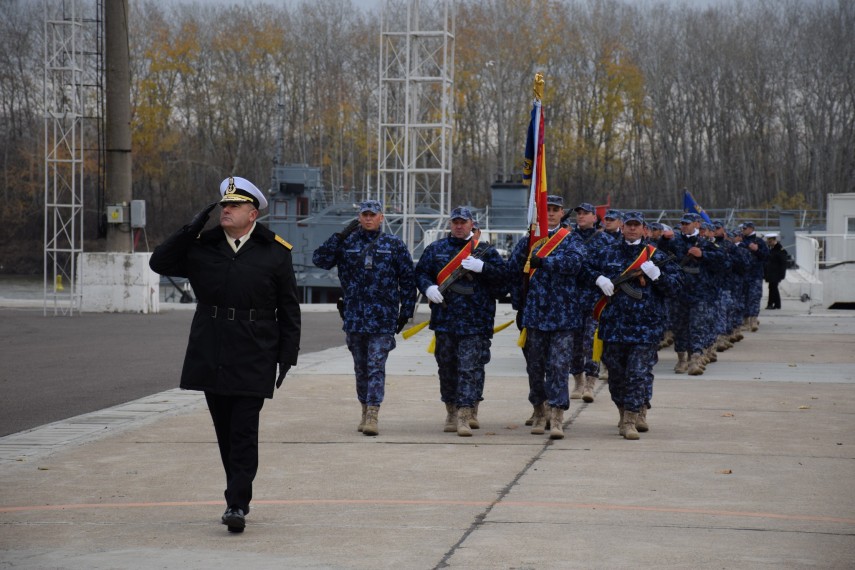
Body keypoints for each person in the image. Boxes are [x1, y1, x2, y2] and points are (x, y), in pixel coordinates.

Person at [149, 176, 301, 534]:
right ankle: (236, 494)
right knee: (225, 430)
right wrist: (193, 226)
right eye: (222, 205)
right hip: (212, 347)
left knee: (244, 430)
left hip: (255, 349)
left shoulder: (274, 251)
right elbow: (160, 262)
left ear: (252, 213)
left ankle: (237, 502)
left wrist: (287, 356)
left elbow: (289, 309)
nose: (226, 210)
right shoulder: (203, 247)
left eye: (234, 206)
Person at [312, 200, 416, 436]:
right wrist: (338, 237)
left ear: (381, 217)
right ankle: (363, 407)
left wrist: (406, 311)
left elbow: (408, 280)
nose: (368, 218)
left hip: (383, 317)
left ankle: (373, 412)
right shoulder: (346, 242)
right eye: (364, 215)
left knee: (376, 365)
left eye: (373, 215)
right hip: (355, 317)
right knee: (361, 368)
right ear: (359, 217)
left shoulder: (393, 245)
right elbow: (320, 260)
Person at [585, 212, 682, 439]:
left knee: (638, 373)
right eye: (628, 225)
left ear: (644, 229)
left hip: (646, 327)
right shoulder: (606, 252)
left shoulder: (657, 256)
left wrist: (658, 276)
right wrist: (599, 279)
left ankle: (632, 418)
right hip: (614, 326)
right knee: (617, 376)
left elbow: (676, 287)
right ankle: (623, 410)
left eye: (636, 225)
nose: (631, 229)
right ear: (622, 227)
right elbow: (584, 271)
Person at [415, 206, 508, 437]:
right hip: (445, 320)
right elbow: (420, 273)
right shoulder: (436, 249)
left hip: (476, 321)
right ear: (450, 224)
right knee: (447, 368)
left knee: (469, 368)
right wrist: (428, 287)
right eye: (455, 222)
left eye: (463, 222)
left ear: (471, 224)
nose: (458, 226)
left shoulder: (485, 252)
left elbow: (504, 281)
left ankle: (465, 415)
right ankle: (451, 410)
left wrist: (483, 268)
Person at [509, 195, 586, 440]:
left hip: (563, 316)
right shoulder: (529, 240)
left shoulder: (571, 239)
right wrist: (518, 304)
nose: (551, 213)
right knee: (535, 367)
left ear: (562, 212)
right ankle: (539, 410)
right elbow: (513, 270)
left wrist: (546, 262)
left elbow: (575, 263)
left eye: (555, 210)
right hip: (534, 315)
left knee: (558, 367)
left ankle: (557, 414)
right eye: (546, 209)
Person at [569, 202, 614, 402]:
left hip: (595, 300)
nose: (581, 216)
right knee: (574, 344)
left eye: (586, 213)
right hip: (571, 300)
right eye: (579, 213)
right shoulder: (568, 238)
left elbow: (611, 266)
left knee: (592, 342)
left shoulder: (605, 240)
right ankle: (577, 380)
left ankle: (590, 382)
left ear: (595, 217)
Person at [738, 221, 769, 331]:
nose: (743, 230)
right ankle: (745, 320)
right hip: (743, 274)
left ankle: (753, 320)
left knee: (755, 297)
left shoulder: (759, 241)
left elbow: (766, 256)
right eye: (742, 228)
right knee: (743, 297)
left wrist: (757, 250)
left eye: (745, 228)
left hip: (755, 274)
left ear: (751, 228)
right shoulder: (740, 241)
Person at [764, 232, 788, 310]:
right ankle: (777, 304)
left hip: (776, 272)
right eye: (768, 241)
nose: (768, 242)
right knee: (773, 287)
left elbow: (783, 262)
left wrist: (782, 274)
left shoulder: (779, 249)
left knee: (773, 287)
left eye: (770, 241)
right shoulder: (770, 248)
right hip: (770, 272)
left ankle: (770, 304)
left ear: (774, 240)